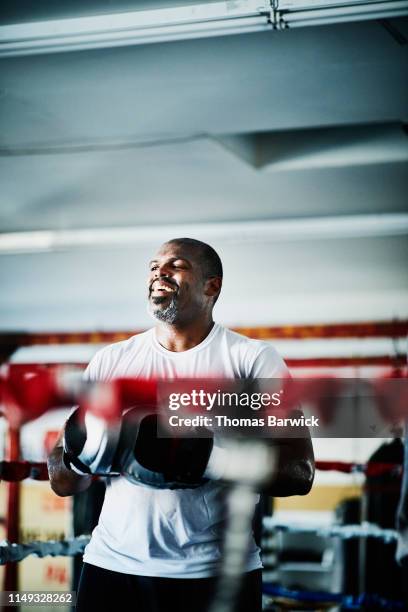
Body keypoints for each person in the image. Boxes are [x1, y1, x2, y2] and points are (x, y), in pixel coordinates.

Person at [48, 237, 315, 612]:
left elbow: (300, 473)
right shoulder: (111, 362)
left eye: (176, 265)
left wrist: (210, 458)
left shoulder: (252, 361)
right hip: (111, 567)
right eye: (154, 266)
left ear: (212, 286)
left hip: (218, 575)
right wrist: (83, 454)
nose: (159, 272)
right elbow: (61, 481)